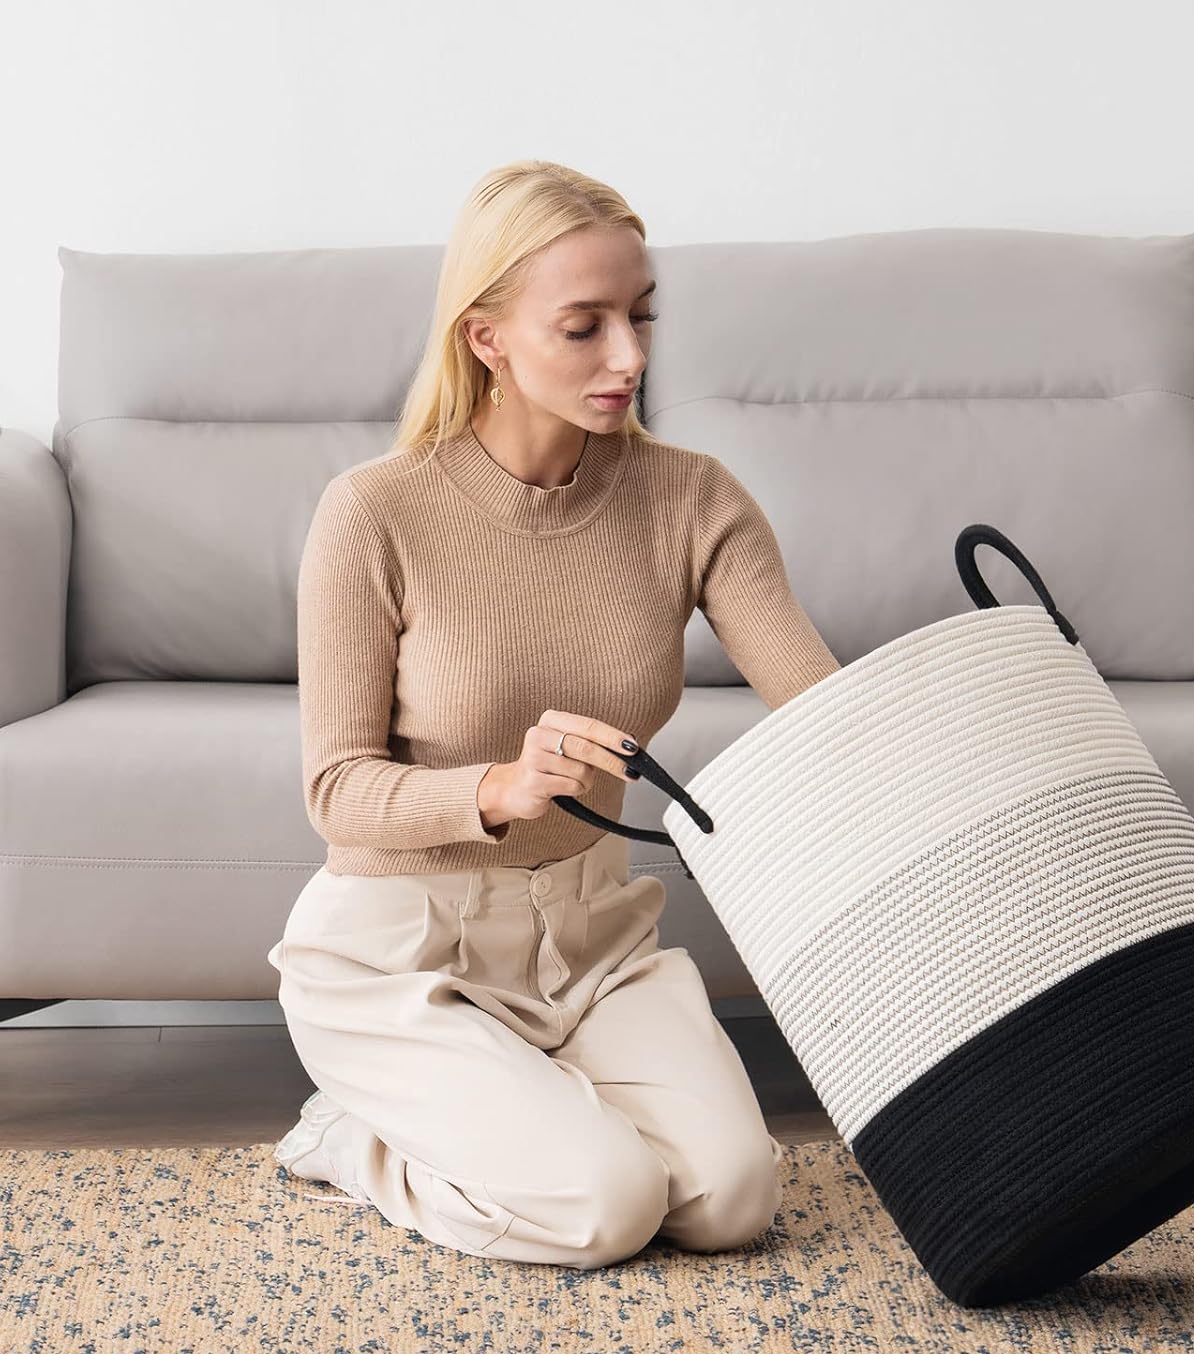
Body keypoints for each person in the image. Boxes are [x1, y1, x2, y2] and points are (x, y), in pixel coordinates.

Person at [265, 160, 841, 1268]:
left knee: (732, 1200)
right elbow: (336, 791)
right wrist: (498, 787)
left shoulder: (693, 499)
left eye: (641, 317)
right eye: (584, 327)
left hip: (591, 945)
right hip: (403, 960)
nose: (629, 357)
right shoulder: (373, 513)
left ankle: (534, 1105)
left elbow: (818, 703)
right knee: (607, 1208)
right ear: (487, 339)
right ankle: (352, 1135)